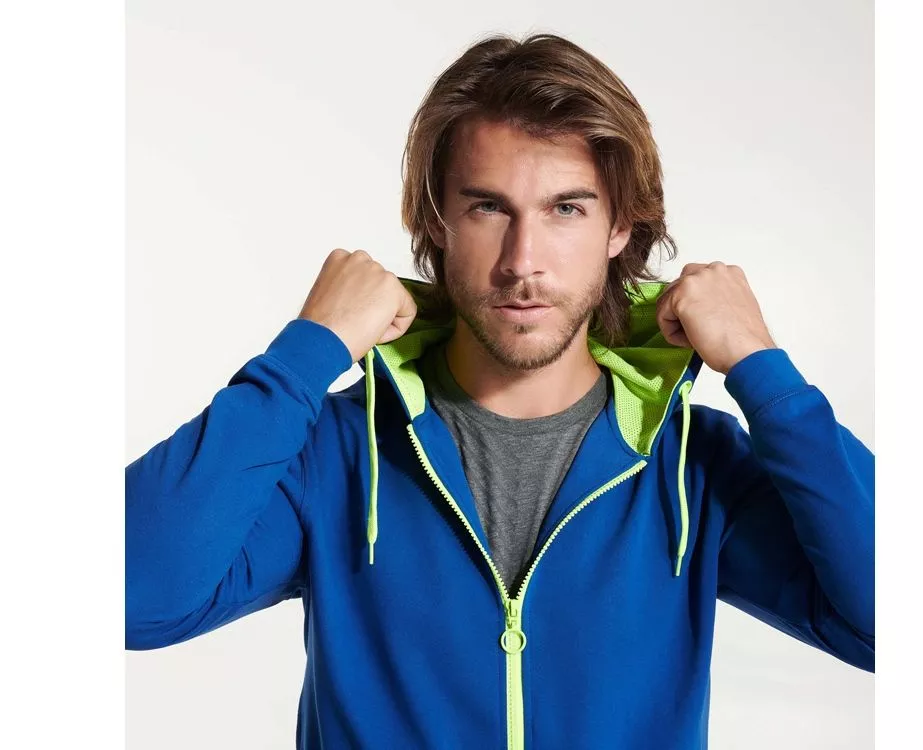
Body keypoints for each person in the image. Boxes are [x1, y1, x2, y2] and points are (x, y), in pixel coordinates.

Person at [125, 32, 874, 749]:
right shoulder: (337, 454)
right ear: (435, 221)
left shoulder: (693, 466)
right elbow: (131, 595)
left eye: (566, 209)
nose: (523, 261)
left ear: (621, 227)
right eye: (488, 207)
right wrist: (304, 357)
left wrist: (763, 371)